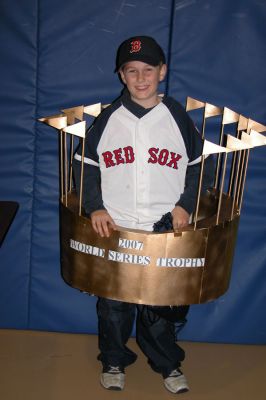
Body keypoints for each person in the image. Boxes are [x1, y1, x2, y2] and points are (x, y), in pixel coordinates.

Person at [73, 35, 214, 394]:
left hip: (164, 229)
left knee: (160, 306)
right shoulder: (107, 120)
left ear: (162, 72)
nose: (140, 78)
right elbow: (86, 165)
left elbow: (200, 167)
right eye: (131, 71)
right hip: (116, 228)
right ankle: (114, 359)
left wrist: (185, 204)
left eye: (148, 70)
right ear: (121, 75)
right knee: (113, 306)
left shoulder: (178, 118)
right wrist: (95, 206)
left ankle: (167, 363)